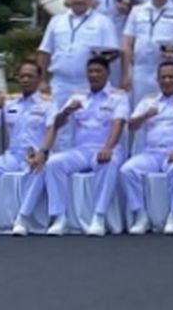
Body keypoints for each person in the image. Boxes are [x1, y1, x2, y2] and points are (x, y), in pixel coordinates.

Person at [12, 57, 128, 237]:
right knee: (53, 163)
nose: (94, 75)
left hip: (106, 147)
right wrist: (68, 111)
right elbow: (56, 124)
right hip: (81, 150)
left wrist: (108, 147)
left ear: (107, 73)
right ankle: (59, 217)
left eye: (98, 71)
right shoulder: (78, 95)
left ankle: (99, 216)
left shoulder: (118, 96)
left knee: (108, 163)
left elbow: (118, 124)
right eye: (90, 72)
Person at [0, 61, 55, 236]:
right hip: (13, 155)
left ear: (39, 79)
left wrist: (43, 152)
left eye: (30, 76)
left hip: (34, 154)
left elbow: (52, 130)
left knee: (40, 169)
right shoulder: (10, 102)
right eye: (21, 76)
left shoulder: (48, 103)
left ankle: (23, 217)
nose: (25, 80)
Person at [121, 61, 173, 235]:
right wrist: (144, 115)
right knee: (127, 170)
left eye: (171, 76)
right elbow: (131, 125)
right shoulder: (148, 100)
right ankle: (140, 215)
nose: (167, 80)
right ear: (157, 79)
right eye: (163, 77)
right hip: (152, 152)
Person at [37, 0, 119, 109]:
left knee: (85, 124)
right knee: (56, 122)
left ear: (91, 0)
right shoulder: (56, 21)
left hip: (88, 83)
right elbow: (44, 52)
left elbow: (114, 52)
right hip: (59, 83)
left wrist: (101, 58)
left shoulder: (103, 22)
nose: (79, 0)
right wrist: (42, 80)